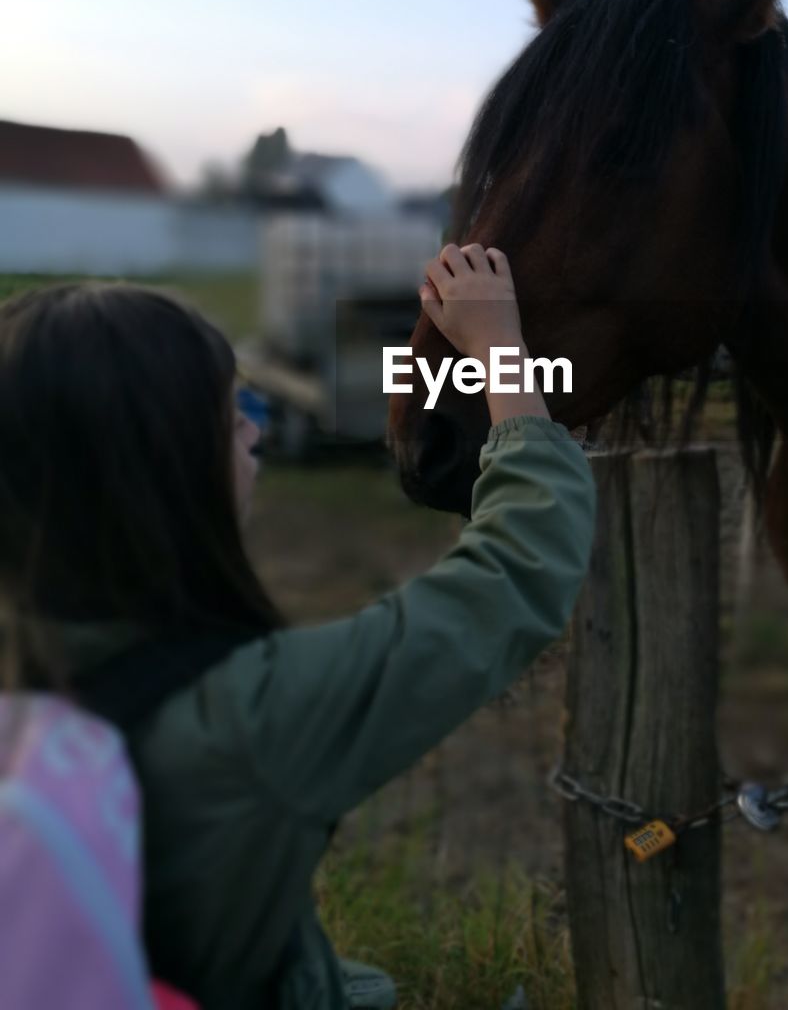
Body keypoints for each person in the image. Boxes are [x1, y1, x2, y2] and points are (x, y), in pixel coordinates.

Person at [0, 243, 597, 1010]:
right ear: (159, 468)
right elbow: (517, 572)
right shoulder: (242, 723)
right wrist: (502, 355)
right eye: (229, 418)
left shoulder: (28, 674)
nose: (254, 434)